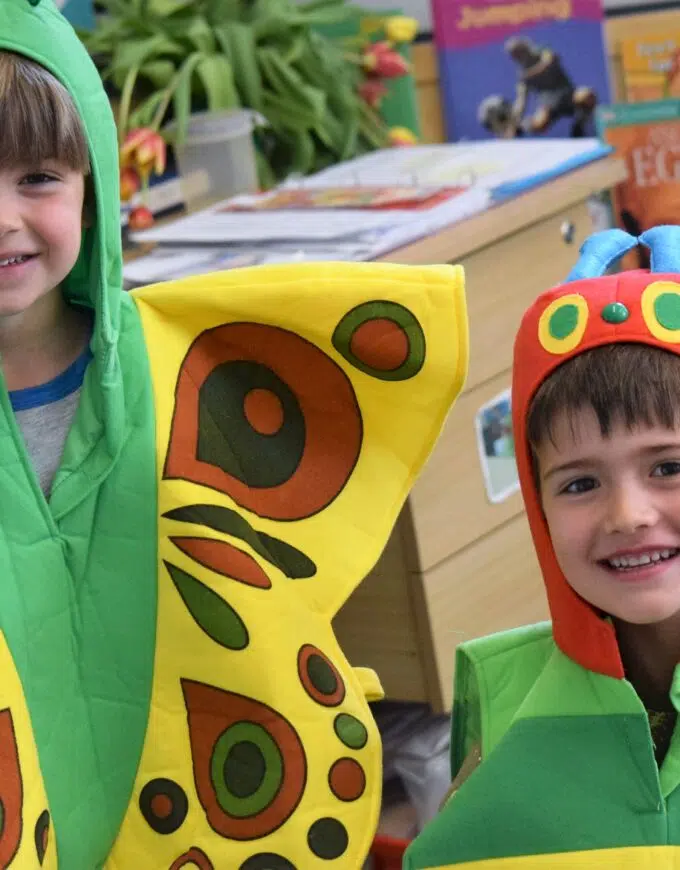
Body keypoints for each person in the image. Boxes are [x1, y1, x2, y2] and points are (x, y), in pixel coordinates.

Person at [0, 1, 468, 867]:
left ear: (95, 184)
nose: (3, 218)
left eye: (37, 178)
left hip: (193, 816)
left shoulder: (188, 369)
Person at [405, 225, 680, 868]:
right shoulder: (508, 713)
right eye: (580, 482)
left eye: (669, 467)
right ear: (536, 506)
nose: (628, 515)